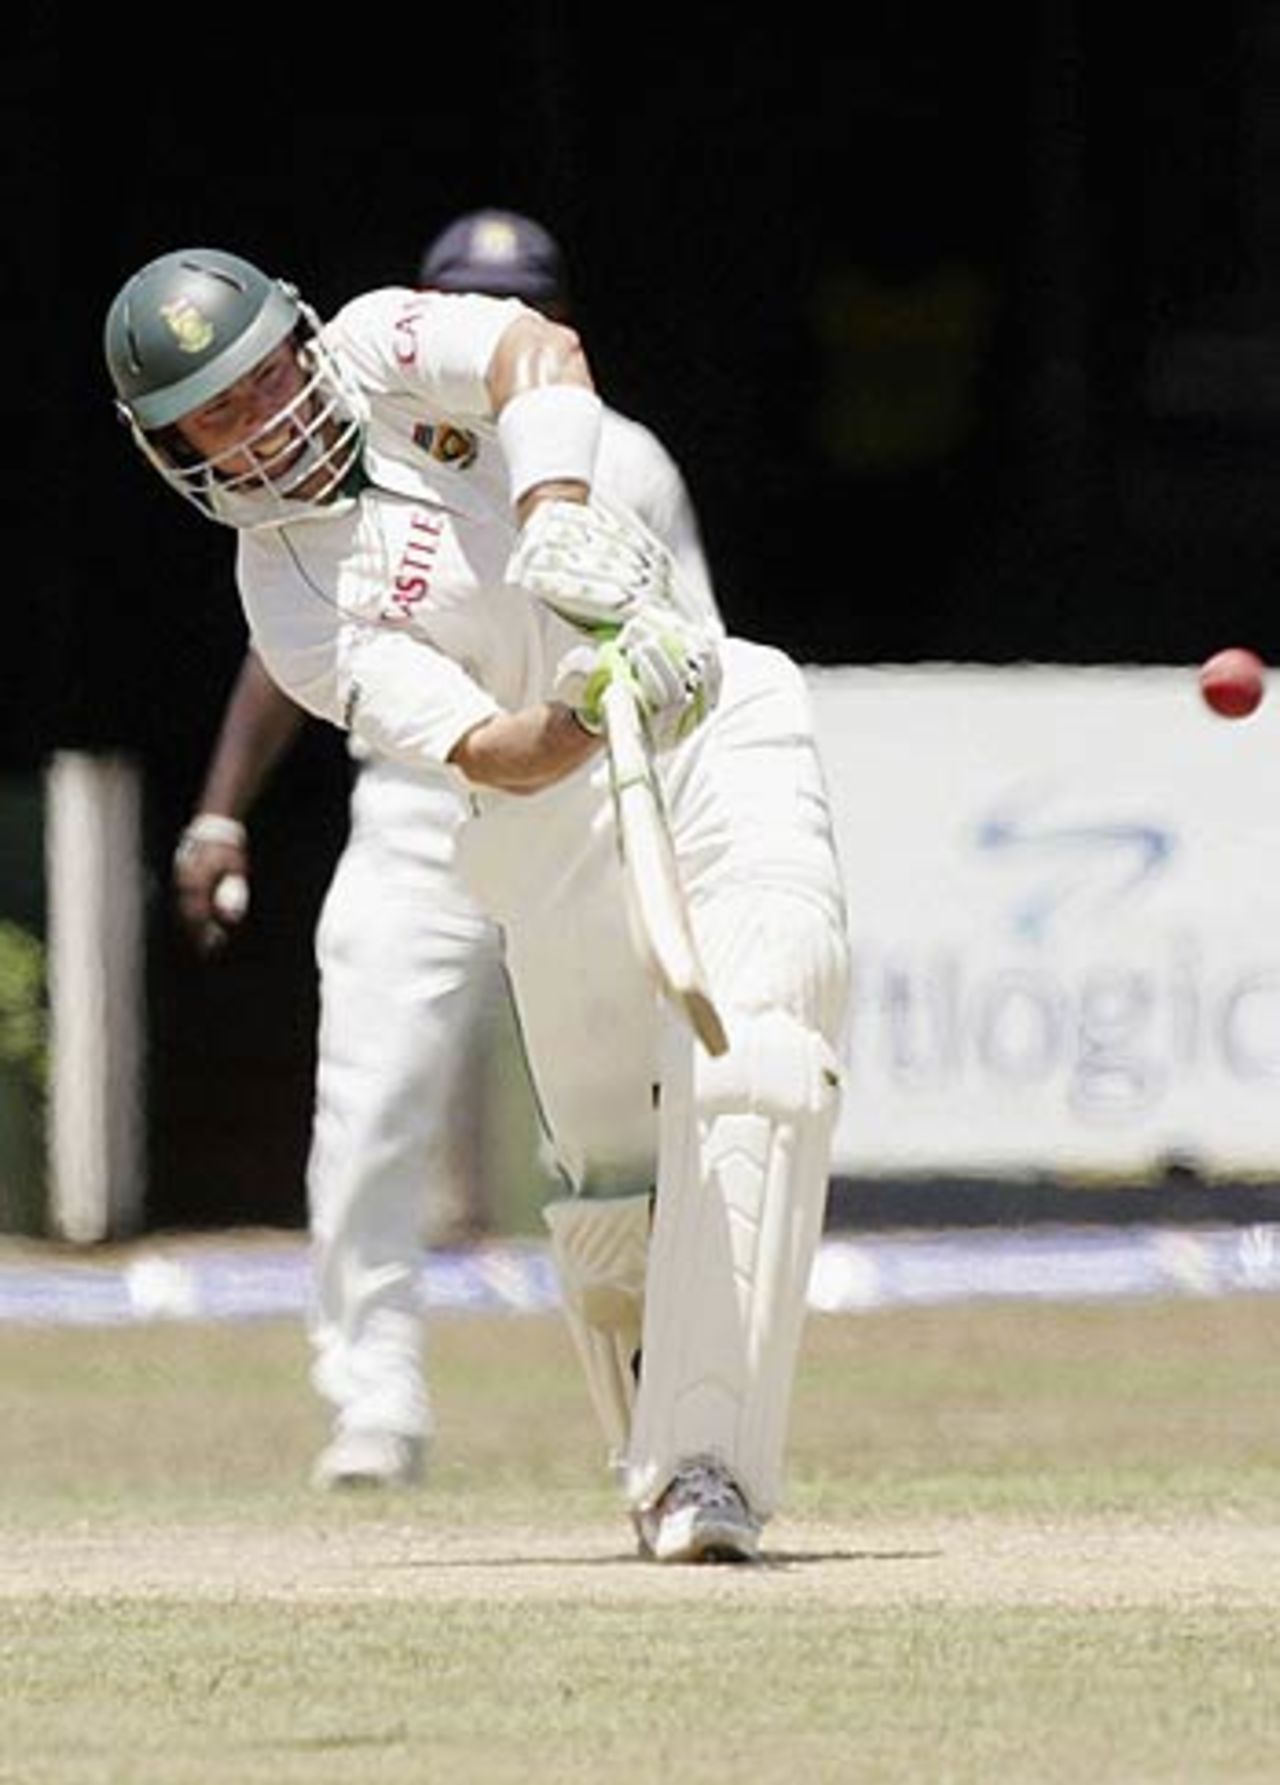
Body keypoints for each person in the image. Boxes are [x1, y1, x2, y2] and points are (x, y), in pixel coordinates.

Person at [104, 237, 850, 1564]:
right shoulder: (290, 599)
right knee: (611, 1199)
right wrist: (580, 706)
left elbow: (533, 356)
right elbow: (487, 752)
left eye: (257, 375)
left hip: (714, 721)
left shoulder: (390, 345)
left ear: (298, 337)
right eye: (209, 413)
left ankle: (705, 1472)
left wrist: (560, 512)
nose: (256, 418)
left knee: (770, 1064)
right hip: (538, 809)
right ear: (171, 449)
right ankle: (443, 1409)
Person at [170, 211, 727, 1495]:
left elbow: (690, 640)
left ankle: (679, 1405)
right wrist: (219, 809)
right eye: (459, 293)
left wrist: (640, 710)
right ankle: (373, 1401)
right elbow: (307, 663)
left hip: (612, 797)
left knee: (632, 1121)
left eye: (505, 296)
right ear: (427, 301)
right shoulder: (322, 465)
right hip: (427, 804)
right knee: (368, 1102)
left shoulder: (616, 453)